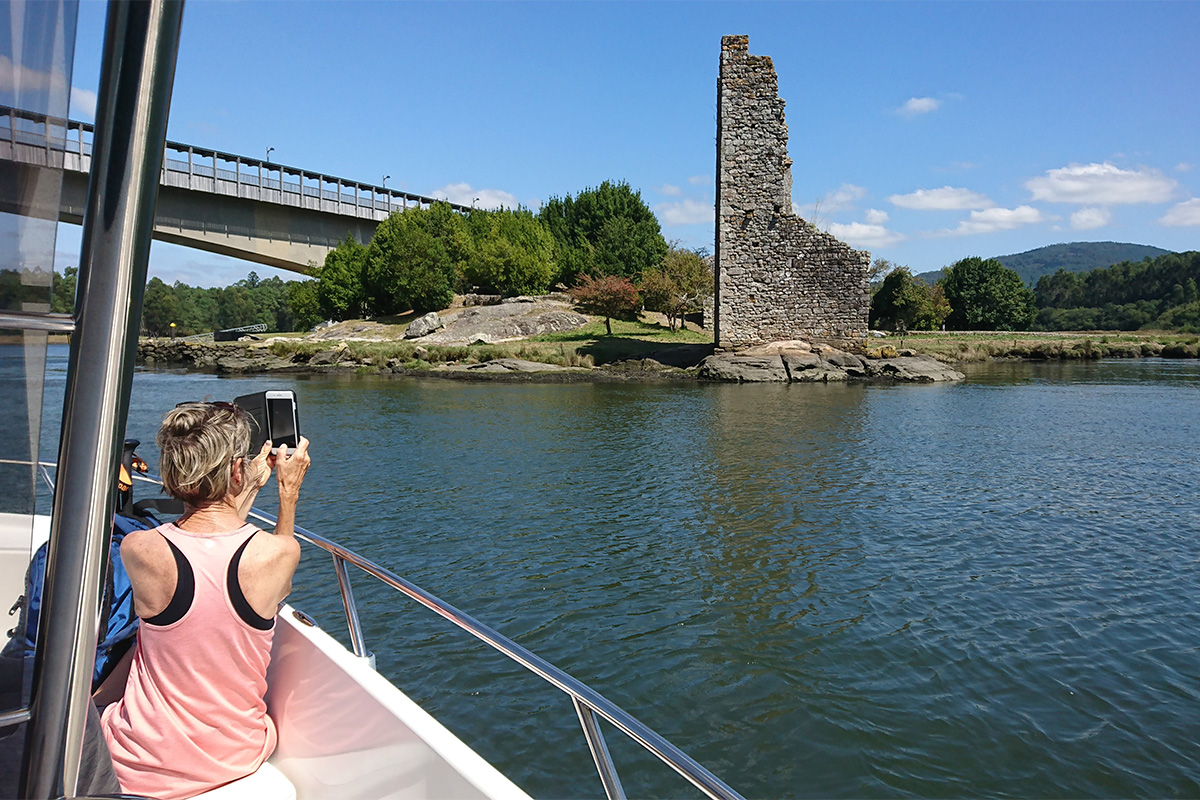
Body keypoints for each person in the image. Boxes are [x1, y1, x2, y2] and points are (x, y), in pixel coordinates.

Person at [101, 401, 310, 799]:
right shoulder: (276, 556)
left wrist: (241, 485)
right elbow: (268, 559)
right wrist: (288, 491)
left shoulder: (139, 548)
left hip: (138, 762)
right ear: (236, 470)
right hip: (233, 758)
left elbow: (207, 535)